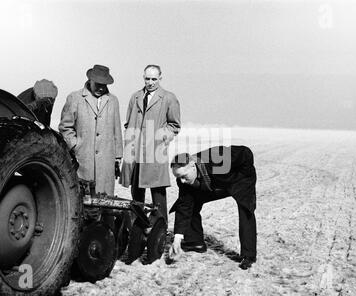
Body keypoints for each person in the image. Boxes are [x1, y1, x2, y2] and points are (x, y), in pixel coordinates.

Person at [169, 145, 257, 270]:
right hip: (213, 186)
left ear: (193, 166)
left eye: (184, 176)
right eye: (178, 177)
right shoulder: (183, 181)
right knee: (187, 203)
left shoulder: (217, 158)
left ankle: (249, 256)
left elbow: (246, 152)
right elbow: (184, 207)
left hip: (239, 181)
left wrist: (244, 176)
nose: (182, 181)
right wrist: (177, 240)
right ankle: (195, 242)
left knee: (246, 209)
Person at [120, 65, 181, 224]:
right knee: (136, 192)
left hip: (155, 152)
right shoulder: (135, 97)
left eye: (154, 79)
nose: (151, 82)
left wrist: (160, 138)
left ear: (160, 78)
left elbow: (174, 125)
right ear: (143, 78)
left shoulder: (168, 98)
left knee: (158, 192)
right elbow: (128, 124)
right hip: (134, 151)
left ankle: (160, 229)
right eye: (147, 78)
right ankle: (138, 227)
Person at [59, 65, 123, 195]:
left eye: (104, 85)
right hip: (83, 161)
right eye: (98, 84)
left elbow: (117, 129)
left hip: (106, 162)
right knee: (84, 202)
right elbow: (65, 127)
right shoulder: (75, 98)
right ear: (90, 80)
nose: (101, 88)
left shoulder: (113, 101)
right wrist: (76, 146)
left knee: (106, 203)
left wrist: (117, 156)